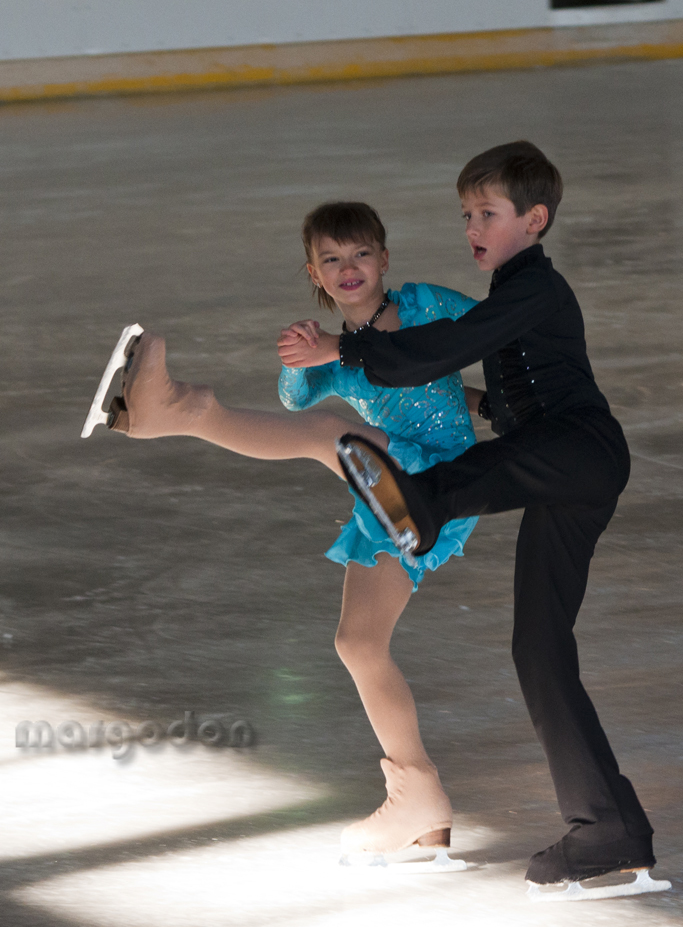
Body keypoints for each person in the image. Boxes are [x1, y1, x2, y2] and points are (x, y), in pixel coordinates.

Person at [277, 144, 659, 891]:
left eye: (487, 214)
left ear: (534, 220)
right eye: (465, 215)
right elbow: (482, 379)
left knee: (461, 479)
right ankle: (608, 829)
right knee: (537, 648)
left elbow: (441, 350)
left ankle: (418, 506)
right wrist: (476, 403)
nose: (471, 228)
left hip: (577, 449)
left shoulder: (534, 287)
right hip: (558, 467)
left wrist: (340, 347)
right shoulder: (509, 294)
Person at [89, 201, 481, 859]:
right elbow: (293, 399)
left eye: (360, 253)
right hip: (392, 494)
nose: (348, 267)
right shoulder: (334, 352)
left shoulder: (424, 305)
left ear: (385, 259)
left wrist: (511, 400)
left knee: (328, 435)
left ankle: (182, 409)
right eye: (332, 259)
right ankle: (418, 797)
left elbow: (489, 332)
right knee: (358, 643)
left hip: (439, 478)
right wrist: (302, 356)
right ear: (314, 275)